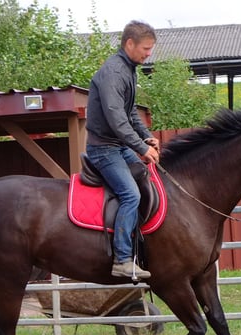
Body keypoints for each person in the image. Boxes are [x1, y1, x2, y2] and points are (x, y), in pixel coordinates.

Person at [86, 20, 160, 280]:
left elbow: (130, 113)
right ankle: (122, 259)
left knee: (146, 181)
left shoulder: (129, 70)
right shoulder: (115, 73)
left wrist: (147, 137)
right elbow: (117, 120)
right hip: (103, 149)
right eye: (146, 48)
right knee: (131, 195)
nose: (148, 53)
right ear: (130, 44)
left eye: (150, 49)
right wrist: (141, 147)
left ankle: (139, 247)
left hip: (117, 146)